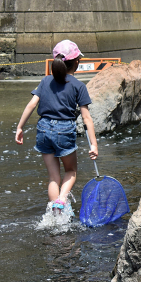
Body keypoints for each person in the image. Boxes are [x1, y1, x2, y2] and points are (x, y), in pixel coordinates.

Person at [15, 40, 98, 211]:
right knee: (71, 171)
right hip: (64, 130)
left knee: (53, 177)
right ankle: (61, 200)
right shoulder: (78, 86)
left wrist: (20, 127)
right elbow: (86, 118)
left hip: (43, 129)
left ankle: (55, 212)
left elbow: (31, 105)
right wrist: (94, 144)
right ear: (76, 63)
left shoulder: (45, 81)